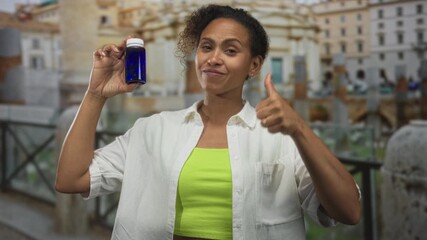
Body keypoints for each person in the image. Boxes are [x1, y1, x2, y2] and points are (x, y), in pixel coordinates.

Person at [55, 4, 361, 240]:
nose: (213, 58)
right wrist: (95, 94)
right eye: (206, 46)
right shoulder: (153, 130)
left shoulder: (283, 139)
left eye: (230, 50)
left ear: (254, 65)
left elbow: (349, 211)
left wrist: (300, 129)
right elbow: (71, 179)